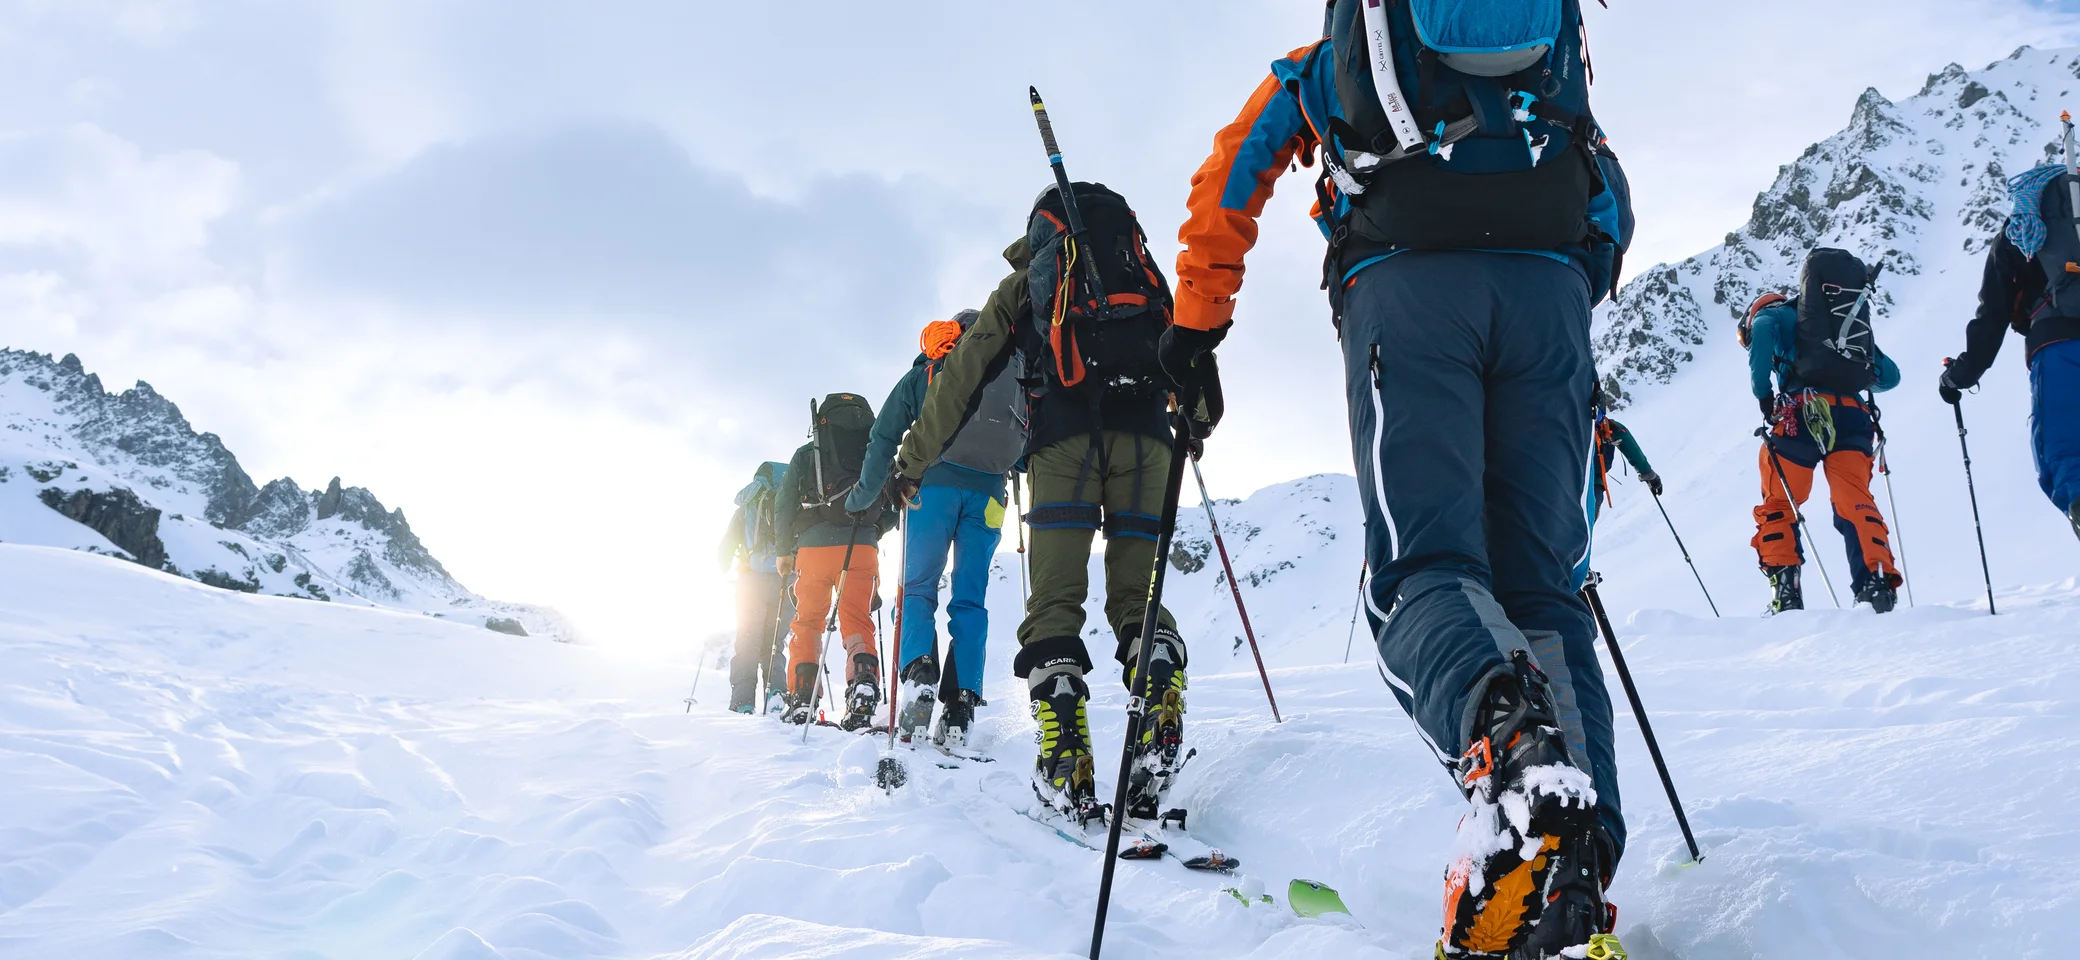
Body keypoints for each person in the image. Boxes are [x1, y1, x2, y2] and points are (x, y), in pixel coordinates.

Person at [1166, 2, 1633, 954]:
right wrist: (1567, 288)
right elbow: (1607, 193)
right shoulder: (1545, 57)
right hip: (1547, 295)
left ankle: (1507, 748)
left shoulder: (1340, 57)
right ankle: (1576, 863)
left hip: (1408, 288)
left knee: (1420, 574)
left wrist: (1197, 322)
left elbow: (1234, 171)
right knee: (1544, 584)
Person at [887, 182, 1214, 823]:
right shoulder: (1141, 273)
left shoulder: (1032, 282)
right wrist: (1193, 423)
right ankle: (1157, 694)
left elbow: (961, 376)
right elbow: (1188, 352)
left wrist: (912, 461)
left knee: (1055, 603)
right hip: (1148, 444)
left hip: (1063, 449)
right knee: (1136, 602)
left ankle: (1065, 754)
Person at [846, 310, 1027, 747]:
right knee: (970, 598)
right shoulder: (1014, 368)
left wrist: (862, 499)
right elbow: (1025, 449)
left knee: (918, 585)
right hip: (989, 497)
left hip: (932, 488)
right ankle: (962, 699)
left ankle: (920, 672)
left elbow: (884, 436)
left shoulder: (930, 370)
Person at [1741, 250, 1904, 616]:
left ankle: (1786, 592)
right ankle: (1875, 583)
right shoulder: (1843, 326)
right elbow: (1890, 377)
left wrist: (1764, 396)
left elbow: (1764, 333)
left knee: (1780, 503)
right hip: (1852, 420)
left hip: (1799, 419)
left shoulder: (1772, 316)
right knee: (1855, 501)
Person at [1939, 159, 2080, 540]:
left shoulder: (2022, 228)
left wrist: (1958, 376)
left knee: (2063, 456)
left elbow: (1994, 313)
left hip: (2059, 343)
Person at [773, 393, 898, 729]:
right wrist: (872, 532)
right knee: (857, 620)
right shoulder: (875, 452)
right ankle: (863, 683)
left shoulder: (808, 454)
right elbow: (892, 507)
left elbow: (784, 502)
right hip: (861, 546)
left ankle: (802, 699)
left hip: (812, 550)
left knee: (808, 622)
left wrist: (784, 549)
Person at [716, 461, 792, 713]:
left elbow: (727, 546)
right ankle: (777, 693)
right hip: (785, 581)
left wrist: (724, 565)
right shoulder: (792, 498)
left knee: (748, 640)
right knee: (774, 643)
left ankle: (742, 700)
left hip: (751, 582)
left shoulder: (749, 503)